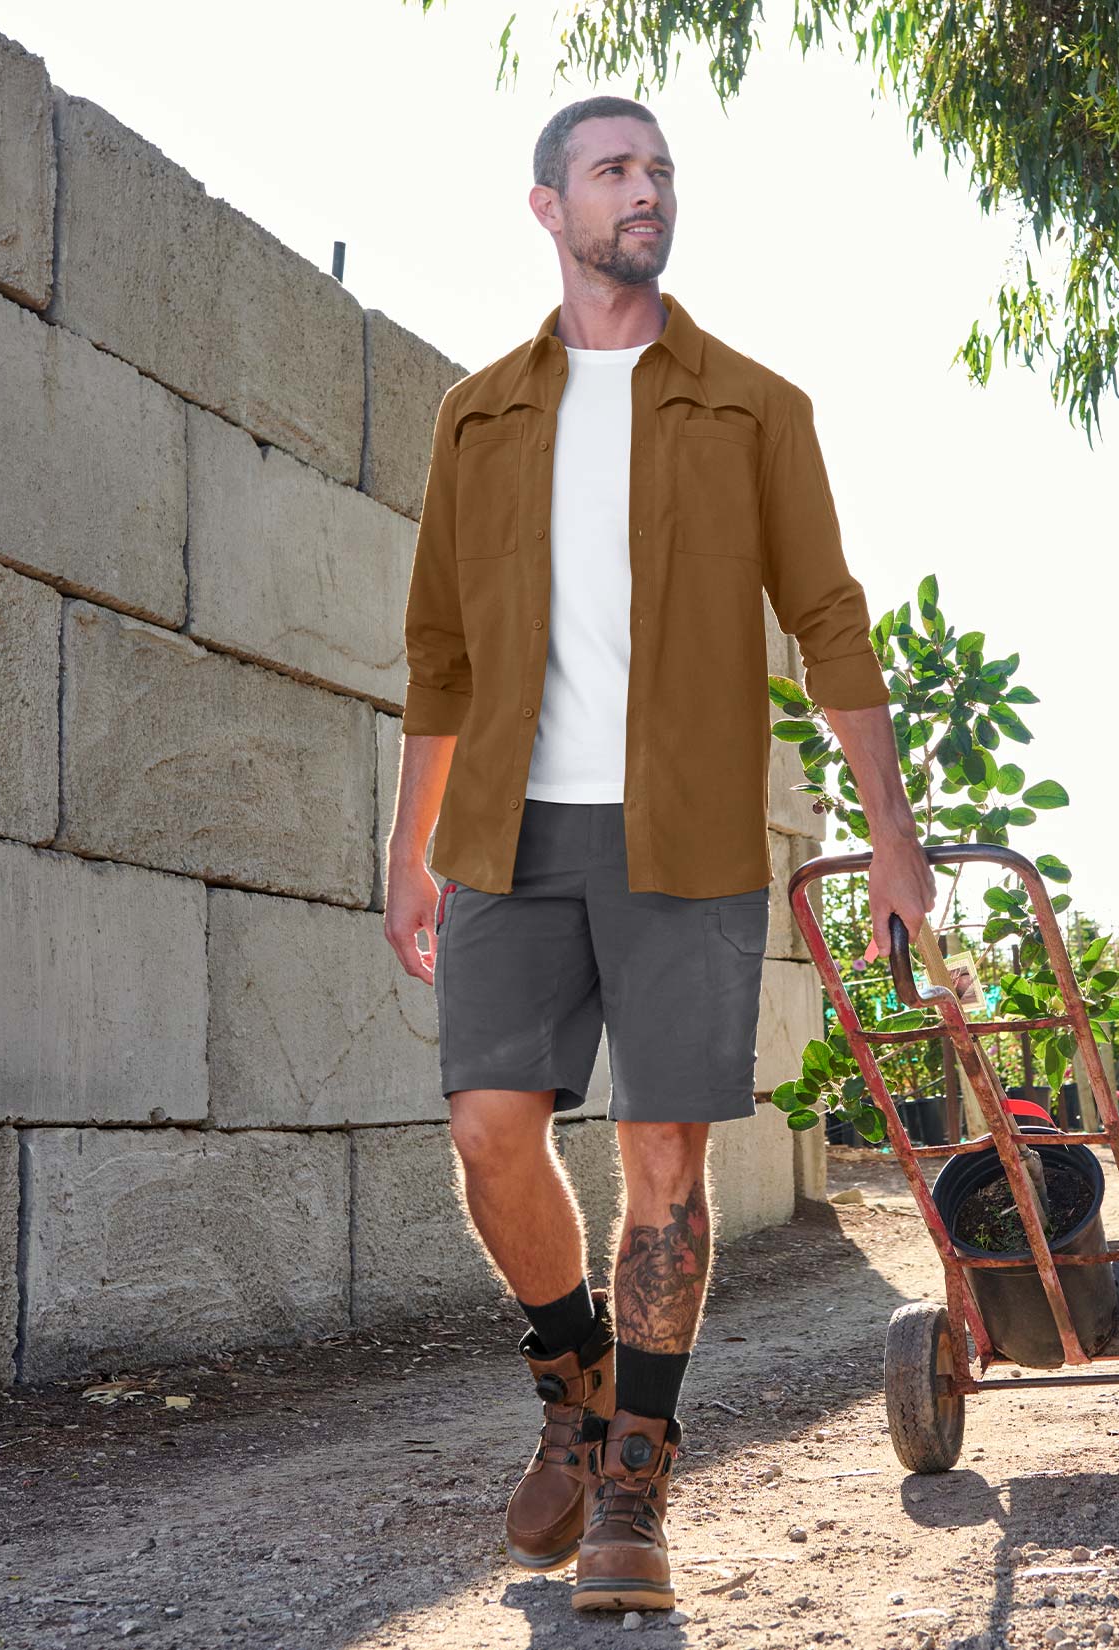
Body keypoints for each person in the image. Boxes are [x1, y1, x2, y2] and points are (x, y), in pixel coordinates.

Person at [384, 94, 936, 1615]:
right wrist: (408, 844)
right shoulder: (481, 412)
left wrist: (892, 837)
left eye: (660, 170)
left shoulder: (758, 408)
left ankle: (635, 1473)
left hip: (681, 830)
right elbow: (436, 651)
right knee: (490, 1132)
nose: (647, 191)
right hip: (507, 826)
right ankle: (573, 1375)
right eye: (616, 171)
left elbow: (831, 618)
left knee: (664, 1159)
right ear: (549, 207)